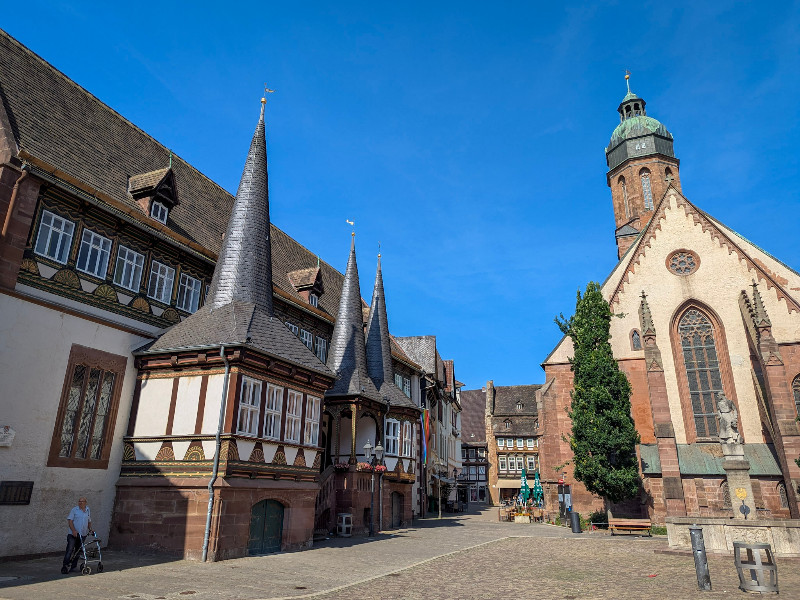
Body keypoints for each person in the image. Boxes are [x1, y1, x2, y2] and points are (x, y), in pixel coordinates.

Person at [61, 497, 92, 574]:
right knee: (69, 550)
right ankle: (65, 566)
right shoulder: (74, 510)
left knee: (78, 551)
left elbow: (89, 521)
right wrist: (73, 530)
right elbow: (70, 521)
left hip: (83, 534)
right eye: (79, 501)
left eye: (82, 501)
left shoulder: (88, 510)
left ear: (85, 502)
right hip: (73, 534)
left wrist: (90, 529)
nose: (80, 503)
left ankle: (73, 567)